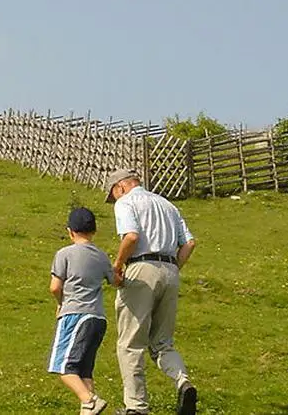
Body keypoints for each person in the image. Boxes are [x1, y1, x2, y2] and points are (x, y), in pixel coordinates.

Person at [104, 168, 198, 415]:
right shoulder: (167, 205)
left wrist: (116, 266)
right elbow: (189, 243)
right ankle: (183, 382)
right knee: (162, 343)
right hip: (170, 271)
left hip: (141, 269)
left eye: (113, 194)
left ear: (121, 187)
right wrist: (174, 267)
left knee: (130, 343)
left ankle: (136, 407)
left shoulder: (126, 202)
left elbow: (132, 236)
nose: (114, 200)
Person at [48, 206, 117, 415]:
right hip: (98, 318)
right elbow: (115, 280)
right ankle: (88, 410)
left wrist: (60, 303)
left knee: (62, 366)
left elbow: (54, 287)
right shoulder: (102, 256)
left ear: (70, 231)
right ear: (94, 230)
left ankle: (90, 400)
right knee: (84, 369)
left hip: (74, 314)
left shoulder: (65, 254)